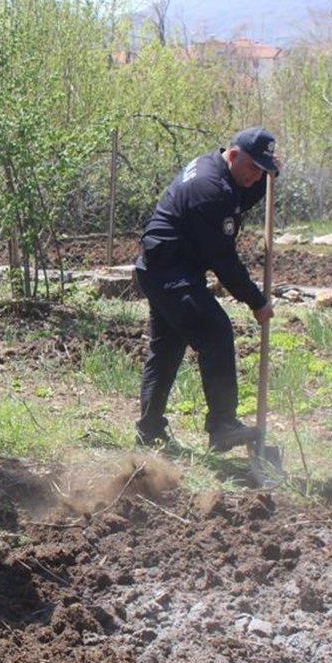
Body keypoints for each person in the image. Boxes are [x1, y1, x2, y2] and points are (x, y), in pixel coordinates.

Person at [134, 126, 279, 452]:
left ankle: (149, 430)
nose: (257, 177)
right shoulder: (210, 189)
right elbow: (223, 260)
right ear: (233, 154)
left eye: (263, 171)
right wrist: (256, 301)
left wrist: (272, 175)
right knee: (215, 331)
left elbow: (242, 193)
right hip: (169, 270)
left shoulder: (219, 170)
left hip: (161, 263)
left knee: (167, 348)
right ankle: (222, 426)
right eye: (253, 167)